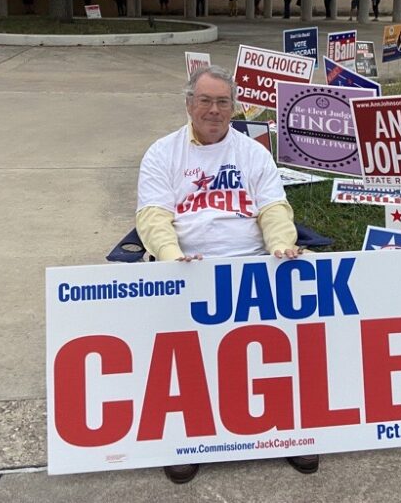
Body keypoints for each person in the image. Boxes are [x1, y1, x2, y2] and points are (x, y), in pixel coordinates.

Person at [136, 66, 317, 485]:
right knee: (184, 358)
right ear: (188, 104)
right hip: (187, 265)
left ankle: (292, 431)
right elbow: (153, 217)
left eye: (222, 102)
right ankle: (185, 438)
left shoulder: (253, 152)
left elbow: (273, 209)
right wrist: (169, 255)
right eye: (205, 101)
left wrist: (279, 246)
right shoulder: (163, 153)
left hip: (252, 261)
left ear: (234, 107)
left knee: (289, 340)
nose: (214, 111)